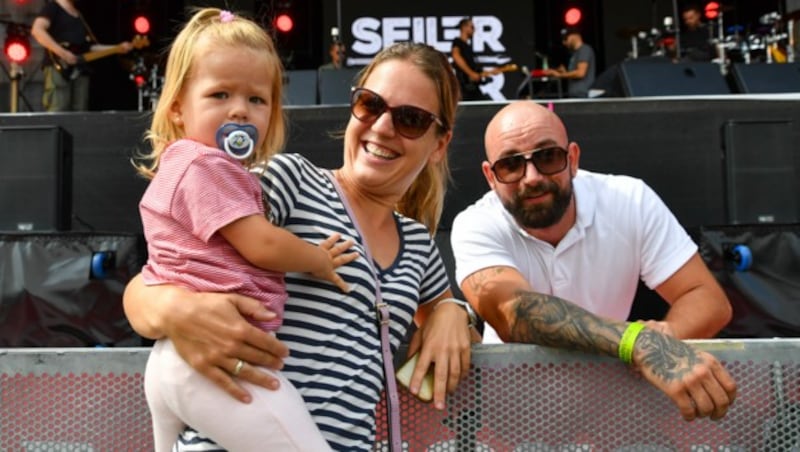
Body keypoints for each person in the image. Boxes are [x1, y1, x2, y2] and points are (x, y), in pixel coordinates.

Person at [124, 41, 477, 450]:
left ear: (439, 144)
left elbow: (450, 347)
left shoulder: (418, 245)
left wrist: (454, 313)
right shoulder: (291, 179)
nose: (382, 126)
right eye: (370, 104)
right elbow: (160, 274)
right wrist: (172, 309)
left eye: (411, 119)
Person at [132, 8, 358, 451]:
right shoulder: (208, 165)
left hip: (171, 361)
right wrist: (318, 258)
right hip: (213, 360)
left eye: (257, 100)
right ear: (177, 106)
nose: (240, 109)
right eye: (219, 94)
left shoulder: (184, 166)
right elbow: (261, 243)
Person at [451, 100, 737, 421]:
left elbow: (707, 299)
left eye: (548, 157)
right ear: (491, 176)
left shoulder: (630, 200)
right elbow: (515, 314)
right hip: (511, 408)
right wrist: (638, 342)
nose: (531, 177)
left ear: (572, 158)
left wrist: (666, 337)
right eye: (510, 165)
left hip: (612, 401)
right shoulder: (475, 224)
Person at [30, 0, 133, 112]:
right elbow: (37, 30)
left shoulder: (78, 15)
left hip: (80, 68)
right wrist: (63, 53)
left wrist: (117, 48)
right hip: (59, 67)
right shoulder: (52, 7)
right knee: (59, 106)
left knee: (80, 109)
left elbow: (89, 47)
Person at [543, 28, 596, 98]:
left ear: (575, 36)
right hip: (575, 94)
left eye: (565, 39)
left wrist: (559, 75)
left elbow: (580, 73)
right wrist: (562, 72)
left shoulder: (584, 49)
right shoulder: (574, 53)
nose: (564, 42)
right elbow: (573, 73)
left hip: (583, 95)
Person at [450, 17, 490, 101]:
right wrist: (471, 73)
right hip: (464, 86)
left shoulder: (468, 47)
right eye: (472, 27)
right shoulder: (457, 42)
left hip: (472, 86)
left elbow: (474, 70)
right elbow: (456, 56)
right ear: (464, 27)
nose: (474, 30)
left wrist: (485, 73)